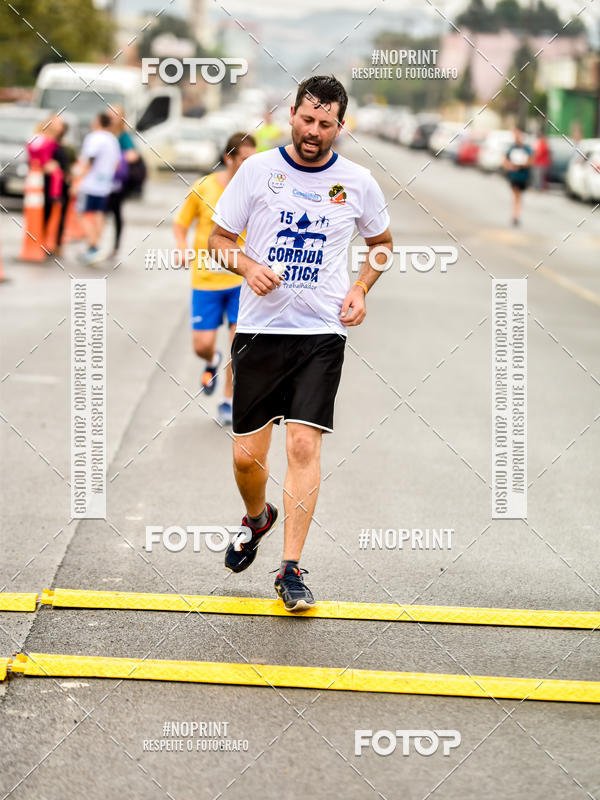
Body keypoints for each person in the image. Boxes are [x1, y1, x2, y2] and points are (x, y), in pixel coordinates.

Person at [208, 75, 393, 611]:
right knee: (248, 457)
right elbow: (218, 240)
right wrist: (247, 266)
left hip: (321, 334)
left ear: (342, 125)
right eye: (307, 120)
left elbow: (381, 244)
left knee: (303, 446)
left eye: (326, 124)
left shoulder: (357, 182)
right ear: (291, 114)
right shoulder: (257, 171)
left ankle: (290, 569)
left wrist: (360, 288)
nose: (314, 132)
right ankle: (257, 517)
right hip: (260, 331)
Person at [173, 132, 256, 425]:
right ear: (228, 158)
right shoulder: (204, 188)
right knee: (201, 344)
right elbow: (181, 224)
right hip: (206, 280)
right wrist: (182, 248)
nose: (249, 165)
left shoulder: (254, 190)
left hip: (238, 281)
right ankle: (211, 360)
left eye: (252, 159)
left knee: (239, 346)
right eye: (244, 159)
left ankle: (227, 400)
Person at [77, 112, 121, 263]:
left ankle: (94, 246)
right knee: (99, 215)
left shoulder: (94, 137)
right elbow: (116, 164)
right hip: (105, 185)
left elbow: (90, 159)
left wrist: (79, 177)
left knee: (81, 214)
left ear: (99, 121)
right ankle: (93, 246)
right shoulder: (113, 139)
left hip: (90, 183)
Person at [106, 105, 141, 258]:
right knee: (99, 212)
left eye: (115, 114)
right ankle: (94, 243)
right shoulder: (104, 133)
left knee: (114, 211)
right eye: (110, 114)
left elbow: (133, 155)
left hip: (117, 181)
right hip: (102, 180)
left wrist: (117, 159)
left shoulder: (123, 136)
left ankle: (114, 246)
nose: (112, 117)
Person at [503, 128, 532, 226]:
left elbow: (531, 161)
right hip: (514, 176)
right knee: (516, 195)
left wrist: (521, 165)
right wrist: (510, 166)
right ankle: (515, 215)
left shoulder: (526, 148)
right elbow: (505, 160)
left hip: (522, 176)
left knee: (518, 196)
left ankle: (516, 215)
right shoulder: (512, 148)